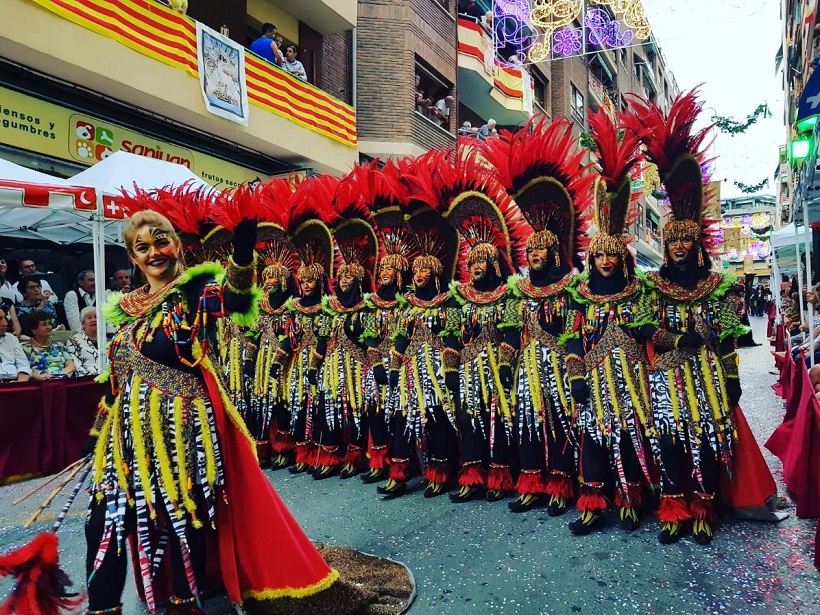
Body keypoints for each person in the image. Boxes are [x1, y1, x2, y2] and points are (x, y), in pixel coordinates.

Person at [80, 199, 363, 614]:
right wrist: (98, 436)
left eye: (162, 242)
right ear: (132, 258)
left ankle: (184, 607)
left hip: (183, 433)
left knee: (182, 519)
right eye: (142, 248)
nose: (154, 252)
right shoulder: (126, 310)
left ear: (176, 245)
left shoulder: (196, 291)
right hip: (124, 441)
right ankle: (101, 609)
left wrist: (243, 255)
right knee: (103, 522)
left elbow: (232, 298)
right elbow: (116, 379)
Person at [481, 116, 595, 514]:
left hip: (562, 366)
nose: (533, 257)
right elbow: (512, 332)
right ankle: (531, 481)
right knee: (528, 420)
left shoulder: (571, 288)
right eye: (529, 252)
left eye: (540, 251)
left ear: (554, 252)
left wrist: (576, 372)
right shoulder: (519, 289)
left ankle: (563, 485)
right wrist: (508, 365)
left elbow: (578, 332)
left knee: (560, 421)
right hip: (528, 365)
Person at [564, 109, 652, 535]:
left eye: (610, 255)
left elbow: (652, 333)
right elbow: (571, 339)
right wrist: (577, 375)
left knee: (631, 437)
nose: (603, 261)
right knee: (593, 439)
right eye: (598, 255)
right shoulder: (580, 295)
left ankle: (631, 499)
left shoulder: (639, 292)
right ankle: (592, 504)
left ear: (621, 259)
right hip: (595, 381)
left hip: (633, 380)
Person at [425, 151, 524, 504]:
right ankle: (471, 474)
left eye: (484, 260)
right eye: (473, 260)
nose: (477, 264)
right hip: (467, 369)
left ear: (496, 264)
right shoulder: (460, 296)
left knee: (496, 420)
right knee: (468, 420)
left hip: (497, 371)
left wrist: (506, 366)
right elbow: (451, 334)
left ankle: (499, 478)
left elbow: (512, 334)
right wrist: (451, 369)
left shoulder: (507, 294)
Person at [377, 155, 461, 499]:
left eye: (426, 270)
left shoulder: (450, 303)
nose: (420, 274)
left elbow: (453, 339)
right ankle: (398, 472)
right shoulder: (407, 304)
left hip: (438, 373)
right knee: (400, 417)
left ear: (437, 274)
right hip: (410, 371)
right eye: (417, 270)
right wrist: (393, 367)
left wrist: (451, 371)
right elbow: (398, 337)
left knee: (438, 417)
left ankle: (438, 472)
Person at [21, 310, 75, 380]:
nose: (49, 327)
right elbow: (22, 370)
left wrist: (60, 374)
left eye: (49, 323)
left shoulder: (59, 346)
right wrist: (38, 377)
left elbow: (71, 364)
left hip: (61, 380)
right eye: (44, 324)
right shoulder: (24, 348)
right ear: (33, 330)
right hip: (38, 383)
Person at [66, 306, 100, 377]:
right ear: (83, 324)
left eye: (95, 317)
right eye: (89, 318)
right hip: (87, 379)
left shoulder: (106, 340)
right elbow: (76, 364)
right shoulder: (73, 340)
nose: (94, 320)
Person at [0, 306, 30, 382]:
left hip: (14, 382)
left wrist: (19, 385)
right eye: (0, 319)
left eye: (5, 318)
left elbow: (23, 366)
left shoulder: (11, 338)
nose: (5, 323)